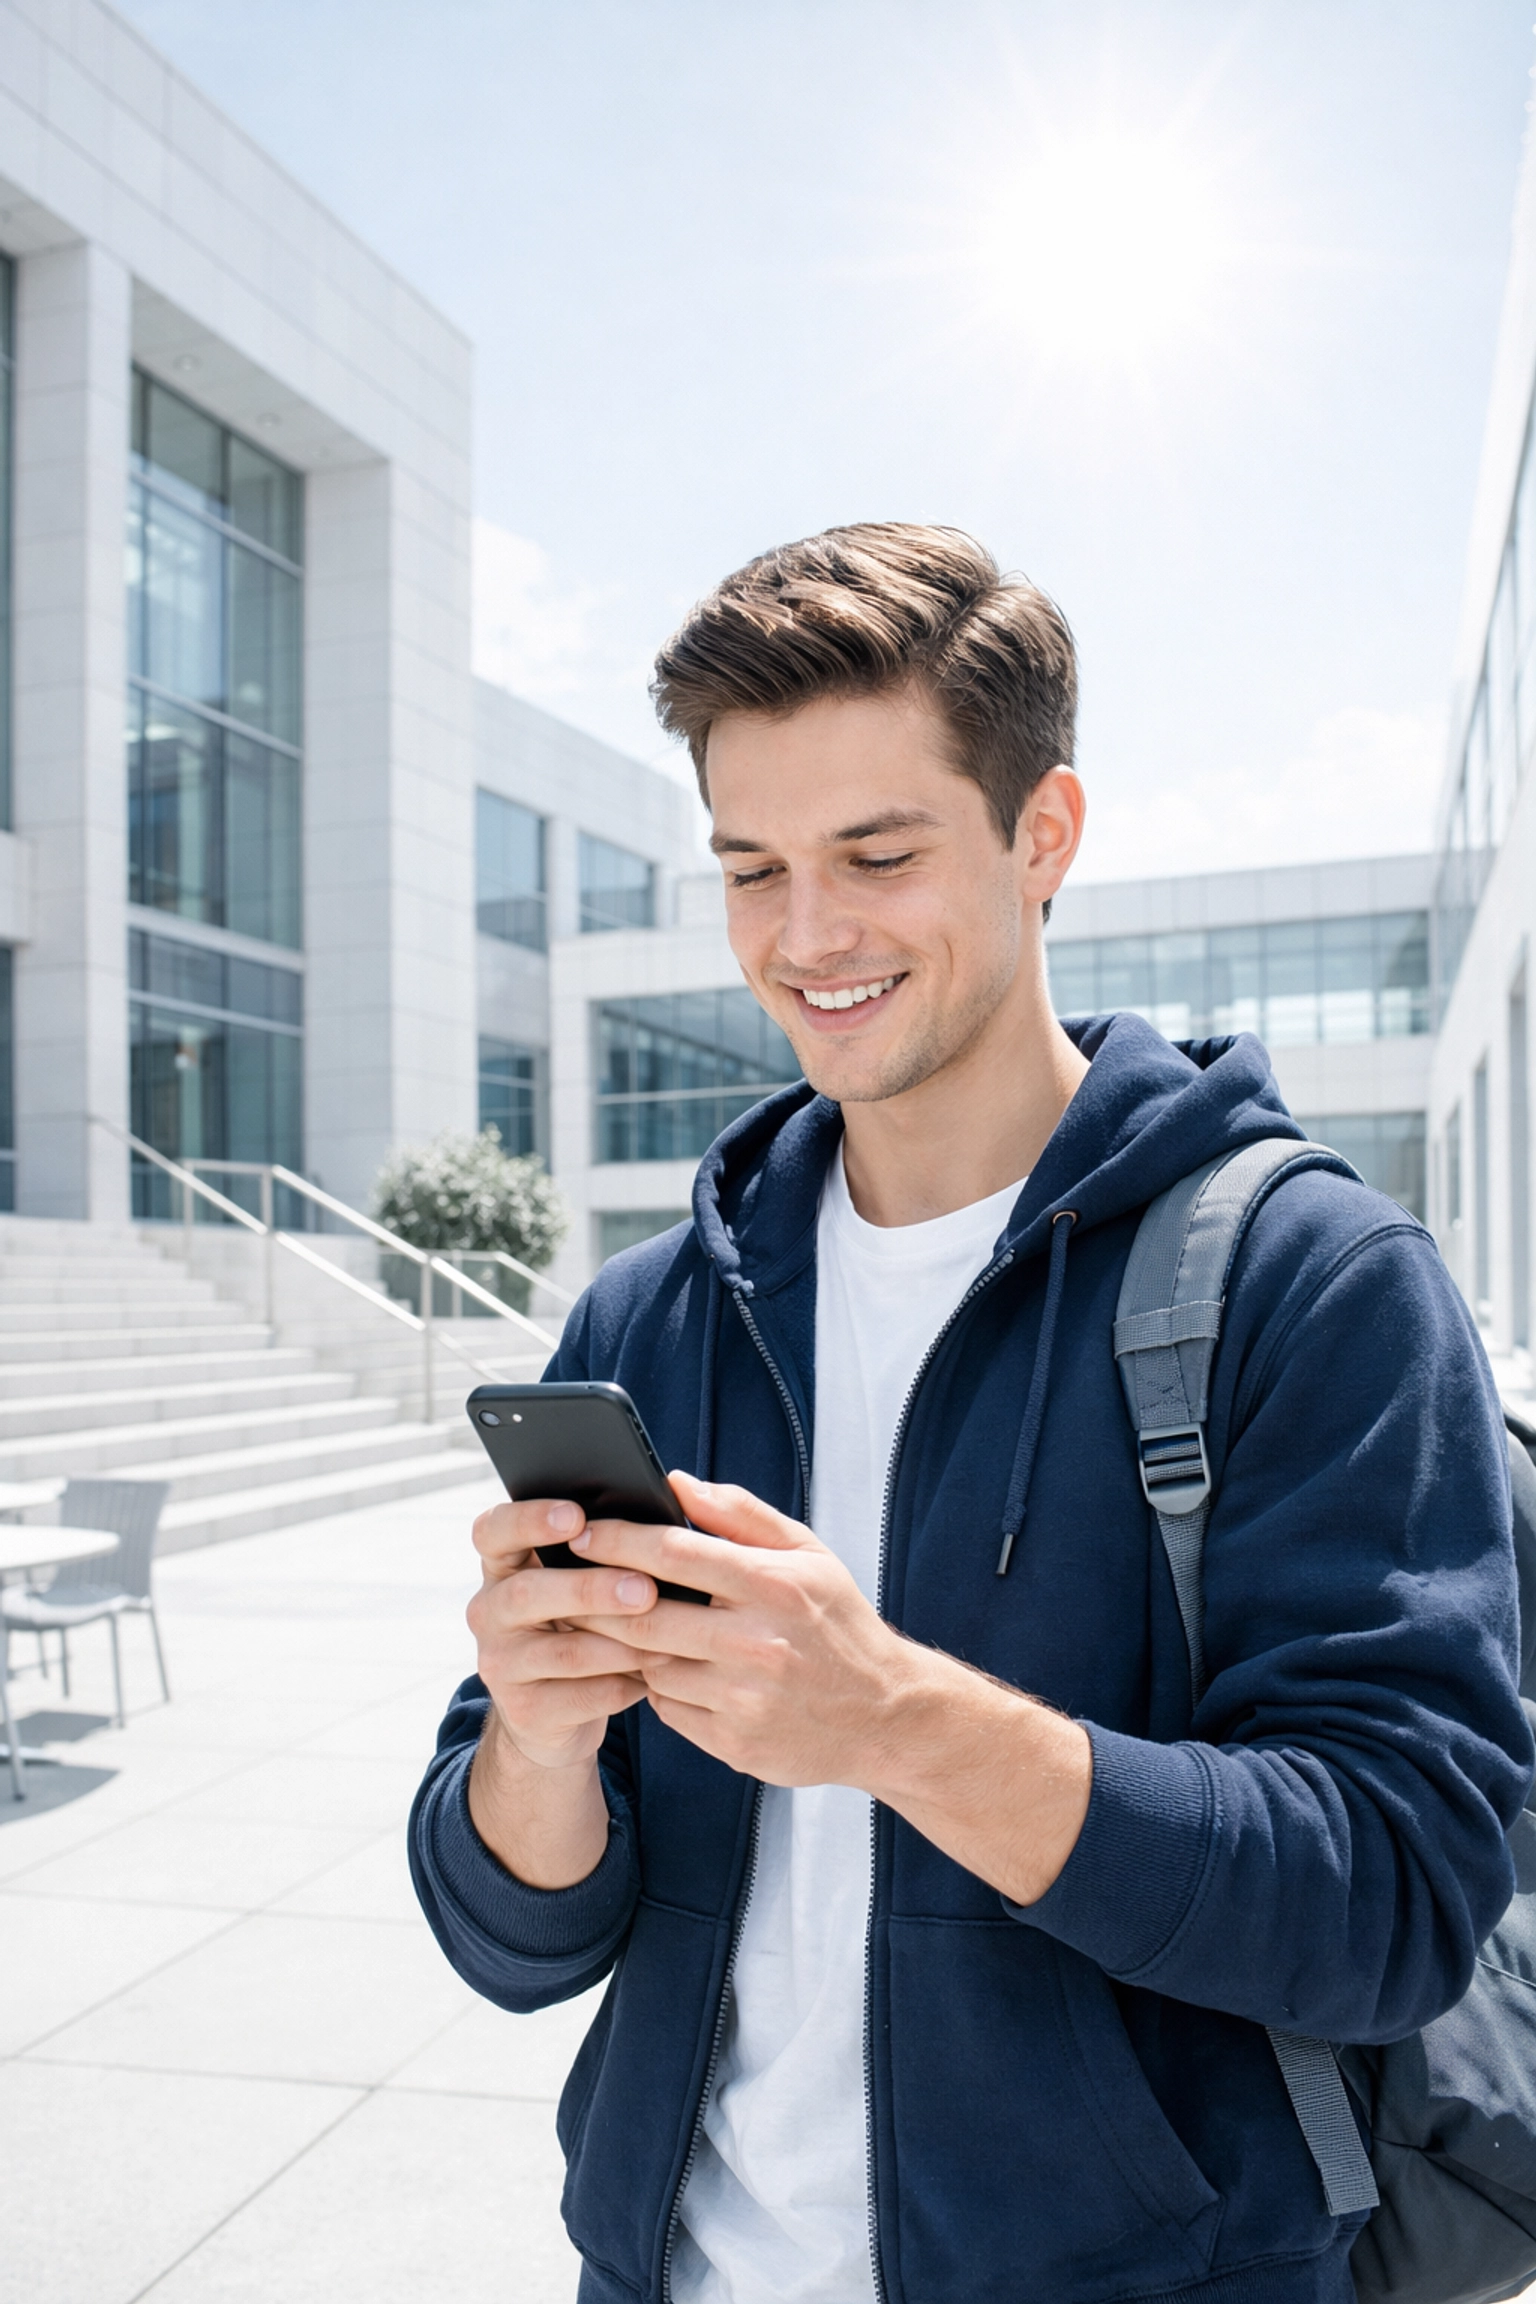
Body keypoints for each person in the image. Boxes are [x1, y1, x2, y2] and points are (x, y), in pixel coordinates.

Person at [409, 523, 1530, 2304]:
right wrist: (532, 1750)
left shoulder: (1312, 1280)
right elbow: (517, 1943)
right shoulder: (650, 1316)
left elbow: (1392, 1902)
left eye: (876, 852)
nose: (806, 936)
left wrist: (891, 1723)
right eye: (752, 867)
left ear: (1044, 836)